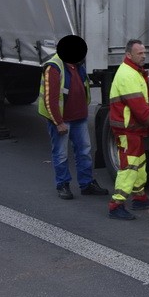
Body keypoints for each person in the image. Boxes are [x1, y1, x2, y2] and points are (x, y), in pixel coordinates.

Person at [37, 35, 109, 200]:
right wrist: (59, 122)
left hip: (79, 118)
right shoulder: (54, 68)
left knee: (84, 152)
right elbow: (50, 99)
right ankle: (63, 185)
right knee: (61, 154)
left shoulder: (77, 65)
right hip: (62, 121)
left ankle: (87, 184)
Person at [107, 39, 149, 220]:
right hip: (128, 129)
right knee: (129, 167)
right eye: (140, 53)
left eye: (144, 52)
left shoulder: (133, 71)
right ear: (129, 55)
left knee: (139, 164)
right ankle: (116, 205)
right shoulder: (128, 75)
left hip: (133, 128)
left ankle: (139, 198)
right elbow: (140, 110)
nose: (144, 56)